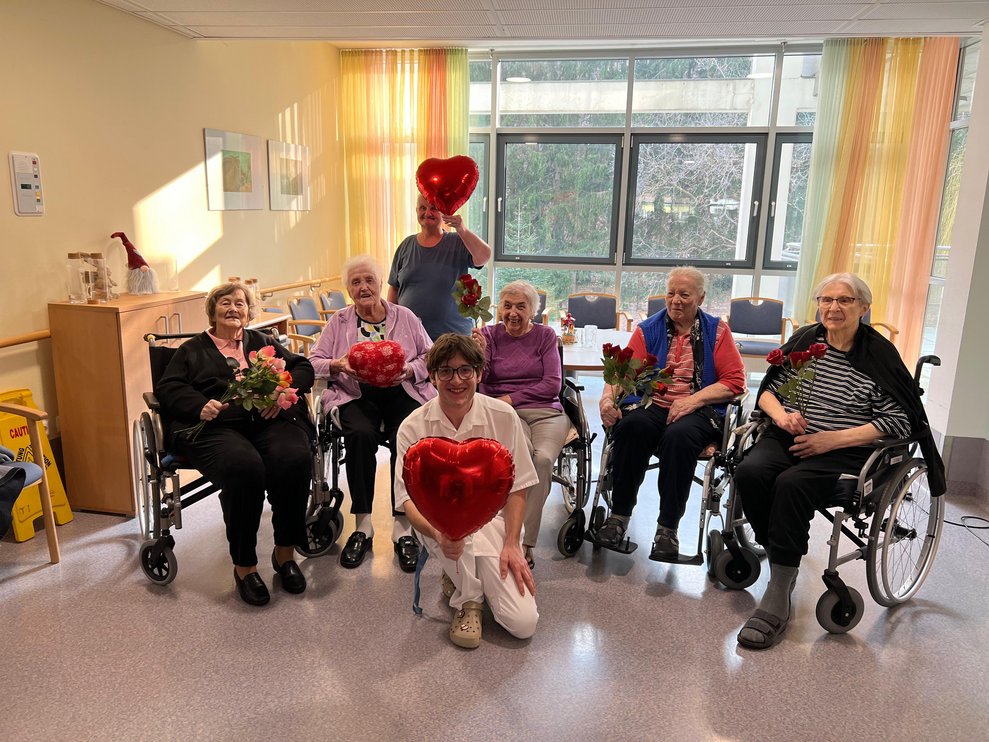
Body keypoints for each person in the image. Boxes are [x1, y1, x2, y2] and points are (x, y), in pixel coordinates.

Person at [734, 272, 946, 650]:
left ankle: (778, 590)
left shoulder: (878, 355)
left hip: (845, 448)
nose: (833, 307)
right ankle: (785, 560)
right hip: (790, 434)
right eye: (826, 300)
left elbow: (898, 421)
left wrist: (831, 439)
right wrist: (782, 416)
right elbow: (767, 391)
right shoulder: (807, 340)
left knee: (791, 485)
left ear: (863, 308)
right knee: (750, 472)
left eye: (845, 300)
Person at [157, 282, 314, 607]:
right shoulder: (192, 350)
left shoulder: (262, 342)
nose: (233, 308)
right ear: (212, 310)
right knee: (244, 468)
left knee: (294, 458)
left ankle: (285, 555)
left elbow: (303, 367)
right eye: (225, 302)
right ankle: (245, 568)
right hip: (216, 426)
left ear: (248, 312)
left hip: (267, 420)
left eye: (240, 303)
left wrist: (282, 392)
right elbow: (168, 387)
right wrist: (198, 405)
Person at [395, 334, 539, 649]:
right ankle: (468, 600)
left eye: (465, 370)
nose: (456, 380)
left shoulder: (503, 416)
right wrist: (440, 534)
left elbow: (520, 486)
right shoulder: (412, 427)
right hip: (437, 525)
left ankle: (462, 577)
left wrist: (512, 544)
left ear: (479, 373)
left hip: (494, 521)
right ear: (432, 377)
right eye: (445, 371)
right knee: (458, 542)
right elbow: (406, 501)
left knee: (523, 624)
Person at [596, 266, 746, 560]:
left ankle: (667, 528)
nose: (676, 300)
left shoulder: (717, 331)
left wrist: (693, 401)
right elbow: (623, 374)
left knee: (679, 437)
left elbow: (734, 381)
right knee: (631, 428)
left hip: (698, 409)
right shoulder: (648, 329)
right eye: (671, 293)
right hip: (652, 402)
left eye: (684, 295)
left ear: (701, 298)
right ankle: (618, 517)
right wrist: (606, 400)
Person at [309, 255, 436, 572]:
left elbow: (430, 355)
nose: (363, 287)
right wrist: (338, 364)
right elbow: (313, 361)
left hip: (402, 390)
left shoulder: (405, 316)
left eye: (369, 280)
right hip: (355, 393)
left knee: (405, 437)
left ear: (380, 283)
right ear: (348, 289)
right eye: (356, 282)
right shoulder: (339, 321)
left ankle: (402, 528)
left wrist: (409, 370)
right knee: (359, 434)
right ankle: (363, 526)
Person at [472, 280, 570, 568]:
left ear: (533, 311)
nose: (513, 313)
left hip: (545, 412)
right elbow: (478, 380)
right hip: (503, 414)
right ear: (499, 308)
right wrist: (479, 353)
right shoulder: (488, 335)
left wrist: (511, 398)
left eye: (521, 307)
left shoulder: (545, 336)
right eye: (507, 306)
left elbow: (552, 384)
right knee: (521, 456)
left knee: (543, 460)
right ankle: (509, 533)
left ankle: (523, 541)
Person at [387, 193, 492, 340]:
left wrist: (461, 229)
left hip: (453, 339)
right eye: (422, 208)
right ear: (416, 210)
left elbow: (484, 257)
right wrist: (390, 324)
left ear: (444, 213)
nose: (427, 213)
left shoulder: (457, 242)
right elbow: (394, 287)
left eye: (433, 208)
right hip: (410, 338)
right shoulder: (406, 245)